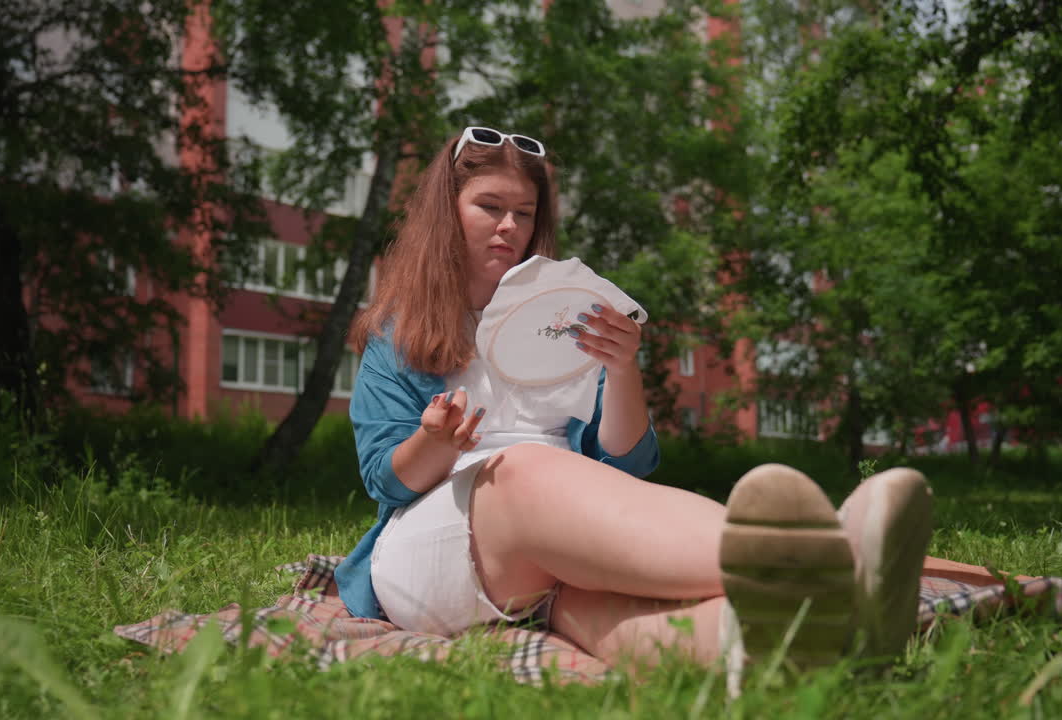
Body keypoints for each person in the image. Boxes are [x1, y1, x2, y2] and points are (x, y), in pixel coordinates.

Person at [334, 126, 935, 672]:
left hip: (548, 550)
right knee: (520, 468)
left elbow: (625, 464)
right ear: (447, 210)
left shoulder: (560, 316)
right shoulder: (399, 332)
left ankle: (808, 645)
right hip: (431, 552)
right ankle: (823, 556)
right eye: (489, 207)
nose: (509, 226)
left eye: (523, 211)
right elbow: (386, 482)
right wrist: (433, 442)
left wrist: (622, 369)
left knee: (606, 609)